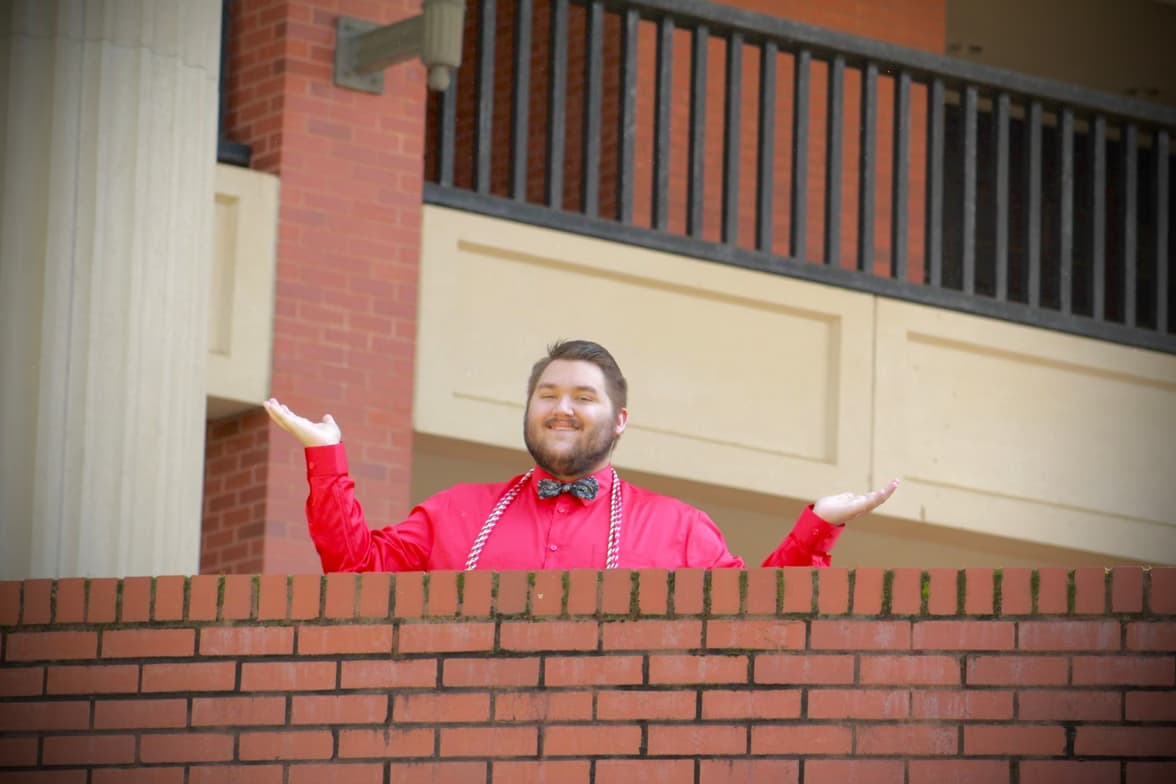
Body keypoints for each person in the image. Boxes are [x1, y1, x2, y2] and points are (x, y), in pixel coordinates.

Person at [264, 340, 898, 572]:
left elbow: (756, 620)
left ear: (620, 420)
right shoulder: (453, 513)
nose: (561, 408)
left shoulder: (680, 530)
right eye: (548, 393)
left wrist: (819, 525)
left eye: (583, 397)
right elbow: (354, 569)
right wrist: (326, 457)